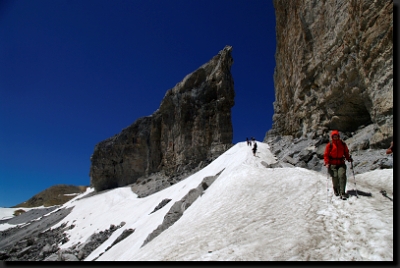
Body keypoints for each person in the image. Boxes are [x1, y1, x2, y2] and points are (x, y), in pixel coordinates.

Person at [323, 130, 353, 200]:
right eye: (334, 136)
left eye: (336, 136)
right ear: (332, 137)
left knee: (342, 176)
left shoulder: (342, 144)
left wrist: (348, 158)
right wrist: (327, 163)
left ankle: (342, 193)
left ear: (338, 136)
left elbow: (346, 152)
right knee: (335, 177)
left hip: (341, 163)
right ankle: (336, 189)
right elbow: (326, 155)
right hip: (332, 164)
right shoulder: (329, 145)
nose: (335, 137)